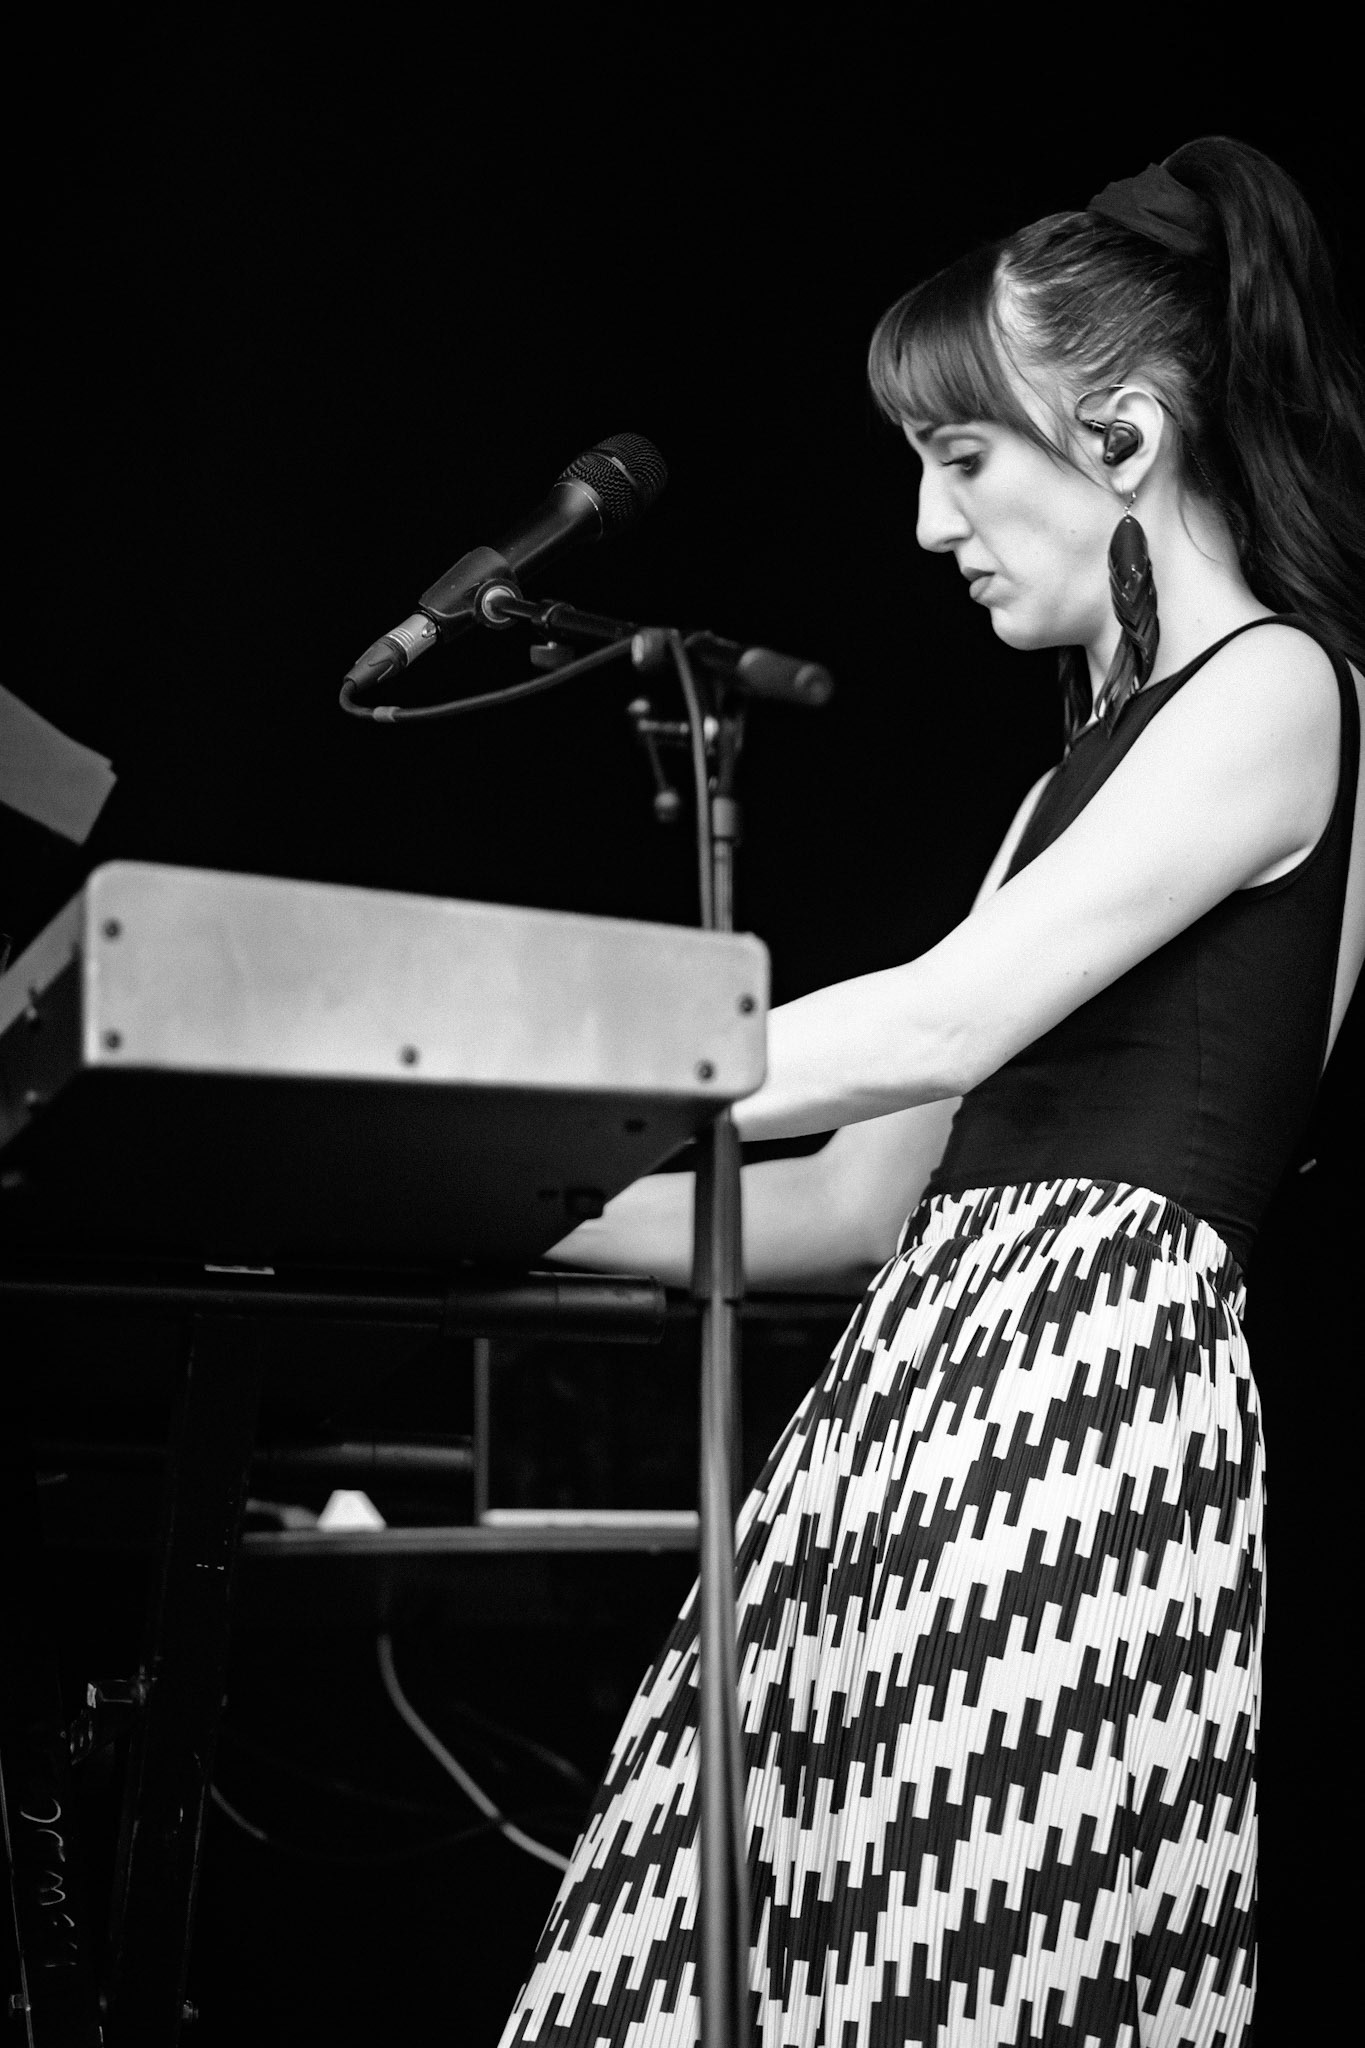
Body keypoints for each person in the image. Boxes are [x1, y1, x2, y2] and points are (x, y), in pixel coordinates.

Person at [499, 136, 1365, 2047]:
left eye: (961, 458)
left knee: (971, 1982)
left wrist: (516, 1079)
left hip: (1073, 1413)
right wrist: (493, 1200)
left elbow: (931, 1025)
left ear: (1124, 438)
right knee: (706, 1971)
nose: (923, 524)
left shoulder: (1281, 692)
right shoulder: (1065, 784)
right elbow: (845, 1205)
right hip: (914, 1400)